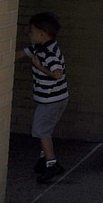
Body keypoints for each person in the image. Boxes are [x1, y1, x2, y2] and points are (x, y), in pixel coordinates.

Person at [18, 11, 68, 181]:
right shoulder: (38, 48)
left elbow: (57, 74)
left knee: (41, 130)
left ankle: (52, 164)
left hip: (52, 100)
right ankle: (44, 158)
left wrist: (39, 67)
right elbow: (21, 53)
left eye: (31, 31)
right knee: (44, 130)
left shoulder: (48, 53)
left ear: (41, 34)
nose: (29, 34)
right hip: (54, 98)